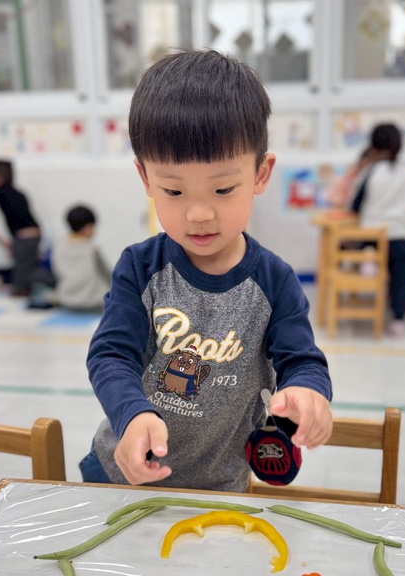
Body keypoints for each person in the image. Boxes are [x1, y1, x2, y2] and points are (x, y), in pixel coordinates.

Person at [81, 49, 333, 491]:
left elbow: (302, 360)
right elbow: (111, 355)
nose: (198, 214)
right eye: (174, 192)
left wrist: (308, 390)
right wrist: (131, 413)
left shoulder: (274, 282)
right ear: (146, 179)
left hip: (219, 489)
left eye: (223, 189)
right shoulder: (140, 269)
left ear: (261, 174)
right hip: (122, 478)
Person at [349, 123, 405, 337]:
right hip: (404, 234)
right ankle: (399, 320)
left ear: (373, 147)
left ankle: (368, 258)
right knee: (401, 278)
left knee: (363, 243)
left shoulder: (372, 171)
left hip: (375, 235)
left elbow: (356, 204)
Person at [0, 159, 44, 297]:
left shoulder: (0, 192)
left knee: (21, 269)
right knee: (28, 265)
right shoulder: (19, 193)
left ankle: (23, 290)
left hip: (24, 236)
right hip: (34, 234)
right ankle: (30, 289)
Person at [50, 205, 112, 312]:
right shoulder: (92, 250)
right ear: (87, 227)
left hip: (67, 300)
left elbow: (57, 272)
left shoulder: (59, 247)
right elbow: (108, 275)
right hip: (93, 302)